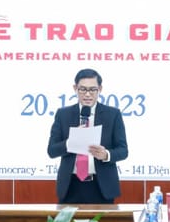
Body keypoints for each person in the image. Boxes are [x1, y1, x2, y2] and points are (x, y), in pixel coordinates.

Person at [47, 68, 128, 204]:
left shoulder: (113, 115)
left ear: (100, 89)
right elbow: (52, 150)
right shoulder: (63, 114)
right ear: (75, 88)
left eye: (93, 89)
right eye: (83, 89)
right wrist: (70, 142)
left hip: (101, 186)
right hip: (70, 185)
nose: (88, 94)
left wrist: (106, 155)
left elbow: (123, 150)